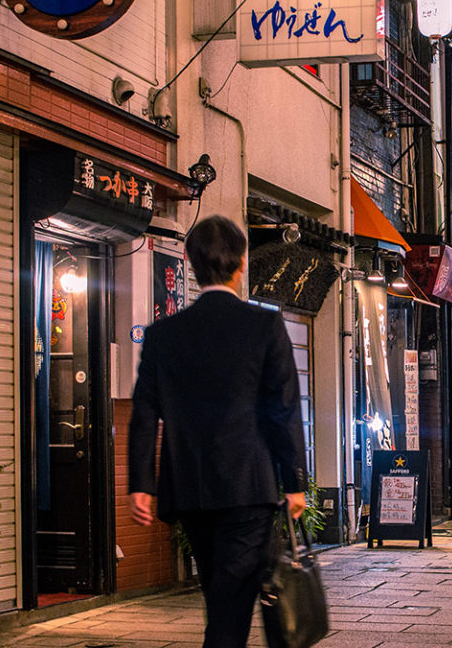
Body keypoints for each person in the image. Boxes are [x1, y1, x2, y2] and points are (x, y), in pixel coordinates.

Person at [128, 216, 307, 648]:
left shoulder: (162, 335)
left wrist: (142, 485)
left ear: (190, 262)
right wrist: (294, 483)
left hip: (191, 489)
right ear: (242, 262)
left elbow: (144, 411)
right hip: (249, 486)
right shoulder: (264, 325)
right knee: (230, 608)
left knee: (220, 591)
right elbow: (282, 409)